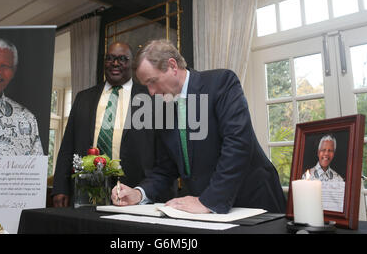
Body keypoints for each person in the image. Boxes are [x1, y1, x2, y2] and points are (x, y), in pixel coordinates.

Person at [112, 39, 286, 214]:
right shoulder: (162, 110)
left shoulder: (221, 82)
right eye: (146, 85)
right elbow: (165, 169)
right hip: (206, 211)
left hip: (253, 200)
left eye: (152, 81)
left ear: (172, 66)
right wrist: (138, 193)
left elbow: (238, 144)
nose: (151, 92)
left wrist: (208, 202)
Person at [52, 42, 160, 207]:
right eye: (110, 58)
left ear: (132, 64)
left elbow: (162, 151)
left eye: (122, 59)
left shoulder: (151, 98)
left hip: (133, 193)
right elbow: (68, 145)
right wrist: (60, 187)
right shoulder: (83, 98)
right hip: (86, 193)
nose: (115, 63)